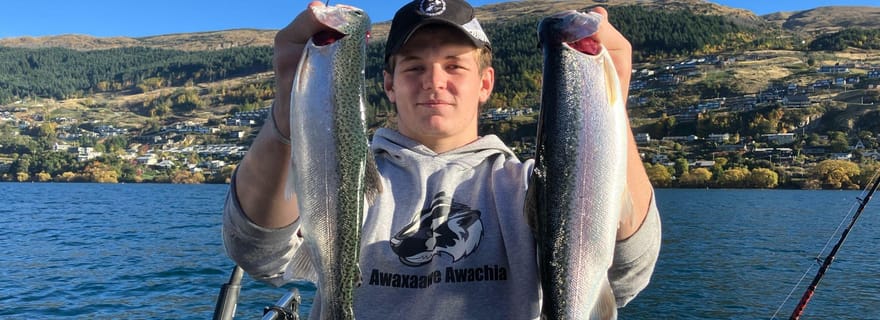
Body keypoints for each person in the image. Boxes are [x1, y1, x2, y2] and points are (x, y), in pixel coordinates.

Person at [222, 0, 661, 318]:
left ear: (485, 83)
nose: (434, 81)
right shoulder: (348, 177)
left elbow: (627, 272)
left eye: (454, 66)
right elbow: (259, 251)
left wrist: (607, 102)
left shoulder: (531, 185)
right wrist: (289, 105)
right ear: (389, 85)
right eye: (414, 67)